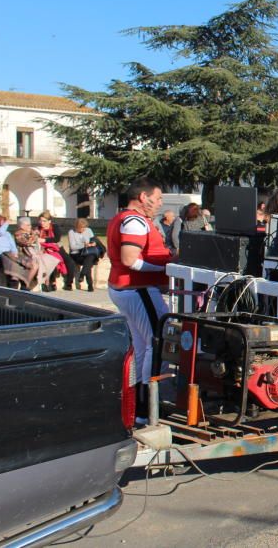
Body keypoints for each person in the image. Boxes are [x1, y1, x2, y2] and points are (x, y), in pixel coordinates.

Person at [107, 178, 175, 421]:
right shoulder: (134, 221)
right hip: (136, 289)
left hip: (128, 288)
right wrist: (167, 267)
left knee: (143, 346)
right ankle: (147, 409)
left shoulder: (127, 218)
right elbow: (129, 259)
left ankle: (138, 407)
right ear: (143, 198)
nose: (160, 203)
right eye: (157, 199)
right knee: (158, 344)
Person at [14, 217, 58, 291]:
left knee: (50, 260)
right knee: (36, 265)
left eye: (30, 225)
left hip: (34, 254)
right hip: (23, 255)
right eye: (28, 225)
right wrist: (35, 235)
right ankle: (25, 284)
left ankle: (46, 283)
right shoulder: (18, 234)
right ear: (22, 226)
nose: (30, 227)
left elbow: (38, 244)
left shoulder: (31, 232)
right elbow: (27, 242)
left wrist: (41, 250)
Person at [37, 212, 76, 290]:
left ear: (49, 221)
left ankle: (68, 283)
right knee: (50, 261)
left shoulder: (55, 227)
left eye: (44, 221)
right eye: (40, 221)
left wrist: (44, 240)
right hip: (44, 249)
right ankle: (52, 282)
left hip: (57, 248)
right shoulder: (38, 229)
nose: (42, 223)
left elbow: (57, 238)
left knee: (70, 263)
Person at [67, 218, 102, 291]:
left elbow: (94, 239)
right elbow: (73, 247)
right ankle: (90, 284)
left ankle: (82, 275)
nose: (83, 229)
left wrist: (93, 243)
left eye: (84, 227)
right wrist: (84, 245)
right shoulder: (71, 232)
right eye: (81, 228)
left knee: (90, 257)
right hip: (76, 254)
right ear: (77, 227)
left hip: (87, 252)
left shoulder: (88, 230)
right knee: (88, 262)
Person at [0, 215, 23, 288]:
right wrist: (6, 223)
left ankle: (21, 286)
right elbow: (0, 233)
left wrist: (15, 253)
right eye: (2, 225)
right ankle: (12, 286)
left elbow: (13, 246)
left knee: (20, 262)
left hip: (9, 256)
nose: (4, 227)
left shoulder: (7, 234)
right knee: (10, 263)